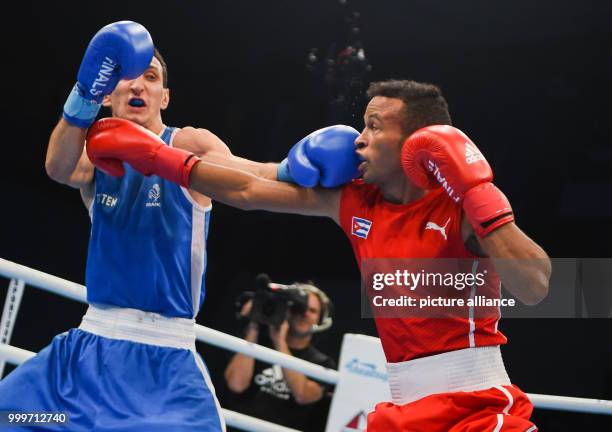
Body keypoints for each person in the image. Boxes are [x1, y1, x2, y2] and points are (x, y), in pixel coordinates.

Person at [86, 79, 552, 431]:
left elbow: (534, 287)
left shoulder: (458, 203)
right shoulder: (353, 200)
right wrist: (156, 157)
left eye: (373, 127)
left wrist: (481, 197)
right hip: (404, 409)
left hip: (475, 407)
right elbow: (250, 187)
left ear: (416, 142)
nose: (358, 140)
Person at [0, 19, 334, 431]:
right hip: (88, 352)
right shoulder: (95, 154)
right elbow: (56, 167)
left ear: (165, 96)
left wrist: (300, 174)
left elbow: (249, 179)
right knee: (14, 417)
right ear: (108, 93)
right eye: (126, 77)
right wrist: (83, 96)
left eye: (151, 77)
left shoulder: (190, 143)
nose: (138, 85)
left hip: (164, 361)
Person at [224, 281, 336, 432]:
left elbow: (303, 395)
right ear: (286, 310)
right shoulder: (256, 344)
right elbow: (236, 385)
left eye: (312, 310)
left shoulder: (322, 363)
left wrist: (280, 342)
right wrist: (253, 327)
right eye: (299, 308)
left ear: (321, 319)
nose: (304, 314)